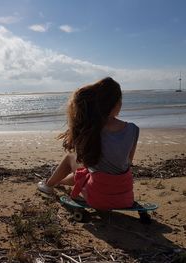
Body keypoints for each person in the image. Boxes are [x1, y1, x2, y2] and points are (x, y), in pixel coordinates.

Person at [37, 77, 139, 210]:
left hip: (97, 197)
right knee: (89, 171)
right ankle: (59, 181)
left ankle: (49, 185)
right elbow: (128, 161)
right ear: (117, 103)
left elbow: (83, 159)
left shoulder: (92, 128)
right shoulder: (134, 129)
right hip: (124, 198)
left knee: (71, 157)